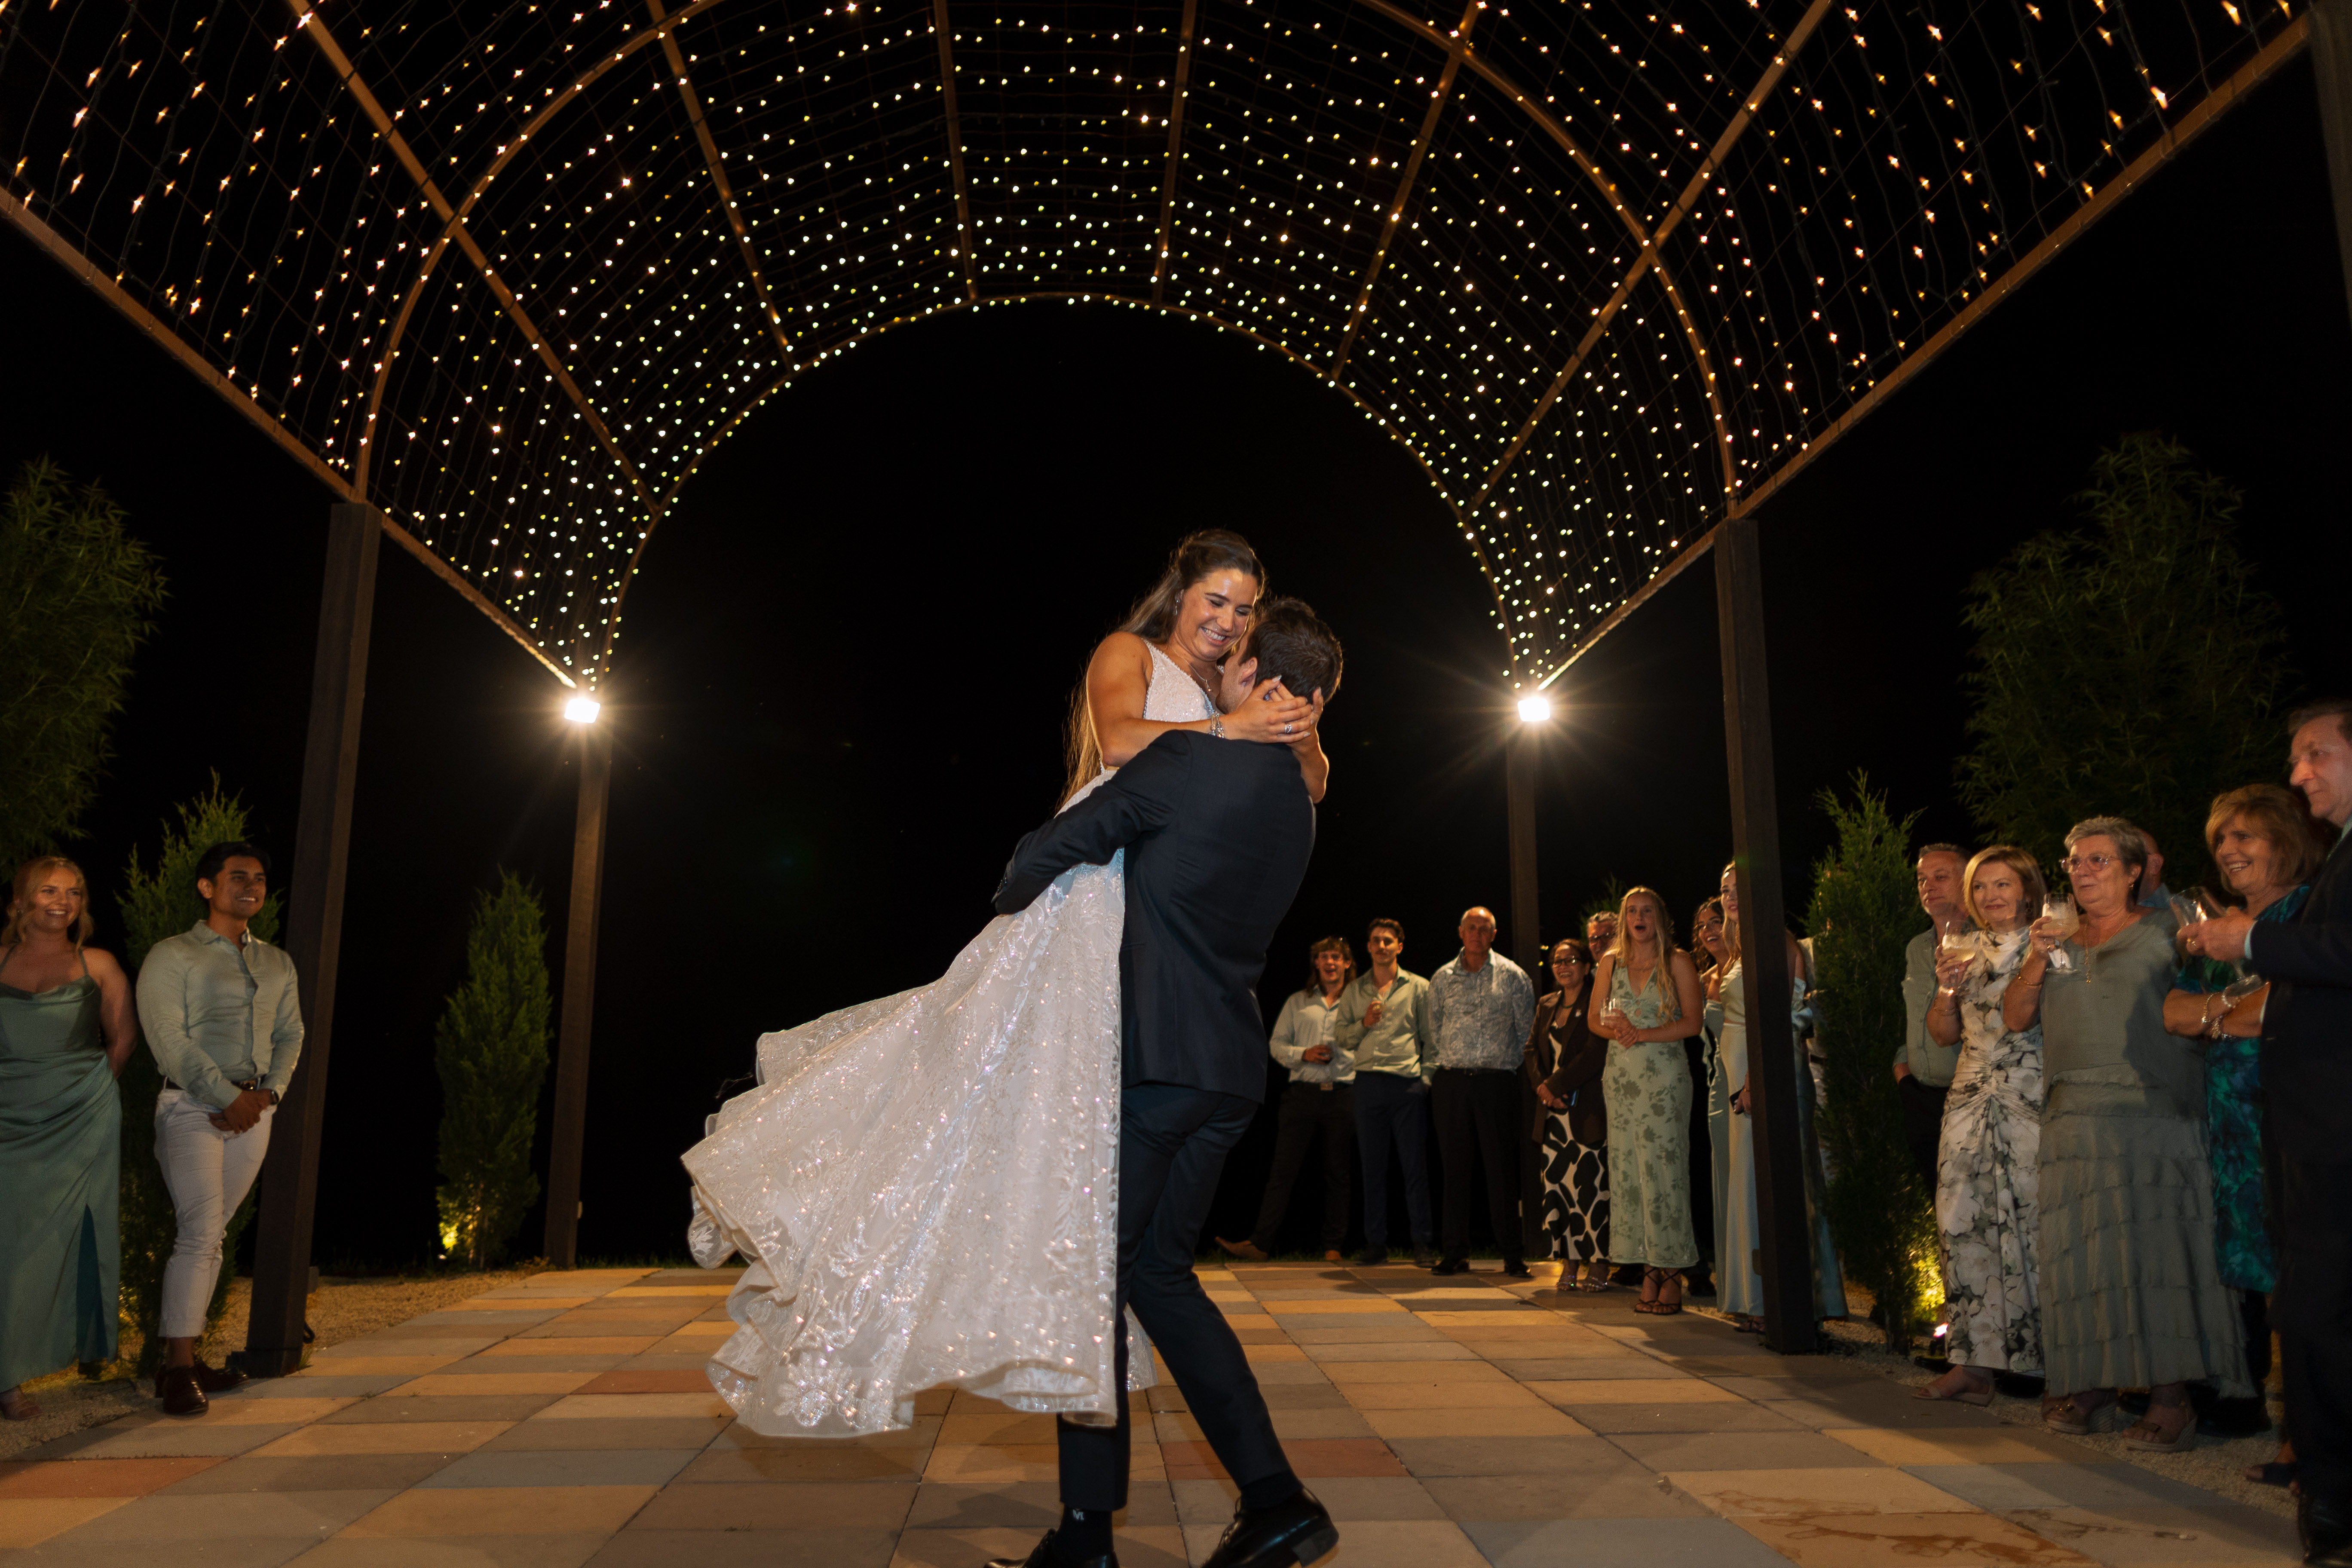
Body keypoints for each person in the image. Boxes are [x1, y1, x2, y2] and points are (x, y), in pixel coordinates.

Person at [682, 533, 1323, 1444]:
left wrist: (1296, 727)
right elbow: (1120, 742)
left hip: (1149, 910)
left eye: (1243, 609)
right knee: (968, 1071)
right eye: (1213, 600)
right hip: (1093, 880)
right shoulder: (1131, 654)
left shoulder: (1235, 693)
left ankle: (1067, 1380)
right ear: (1179, 592)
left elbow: (1312, 781)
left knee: (1072, 1154)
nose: (1225, 621)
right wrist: (1234, 729)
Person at [983, 597, 1345, 1568]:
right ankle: (1275, 1502)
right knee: (1158, 1276)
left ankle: (1085, 1539)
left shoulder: (1186, 761)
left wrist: (1019, 890)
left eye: (1234, 659)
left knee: (1089, 1283)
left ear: (1260, 679)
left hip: (1157, 1070)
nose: (1217, 669)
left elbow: (1037, 859)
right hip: (1228, 1077)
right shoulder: (1298, 805)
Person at [2007, 817, 2245, 1452]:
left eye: (2099, 860)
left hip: (2154, 1116)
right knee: (2084, 1259)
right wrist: (2036, 957)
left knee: (2156, 1255)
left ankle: (2172, 1398)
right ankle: (2094, 1388)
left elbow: (2227, 992)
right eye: (2074, 861)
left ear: (2135, 870)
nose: (2083, 871)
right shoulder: (2056, 940)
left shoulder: (2169, 930)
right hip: (2072, 1119)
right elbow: (2016, 1017)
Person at [2187, 700, 2352, 1562]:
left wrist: (2249, 940)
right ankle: (2328, 1487)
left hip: (2335, 1129)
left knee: (2319, 1311)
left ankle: (2331, 1493)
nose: (2299, 774)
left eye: (2315, 754)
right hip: (2311, 1127)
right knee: (2309, 1308)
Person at [2164, 784, 2325, 1441]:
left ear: (2284, 842)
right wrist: (2226, 1014)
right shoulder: (2219, 929)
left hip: (2287, 1113)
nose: (2228, 850)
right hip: (2228, 1121)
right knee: (2244, 1258)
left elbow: (2279, 1007)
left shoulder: (2303, 913)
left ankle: (2307, 1431)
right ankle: (2251, 1398)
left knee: (2296, 1265)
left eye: (2244, 836)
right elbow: (2172, 1012)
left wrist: (2216, 1017)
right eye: (2221, 840)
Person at [134, 841, 302, 1418]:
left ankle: (185, 1357)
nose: (251, 886)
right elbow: (168, 1039)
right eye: (238, 877)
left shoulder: (278, 963)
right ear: (207, 888)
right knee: (200, 1231)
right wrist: (229, 1097)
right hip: (190, 1107)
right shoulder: (172, 955)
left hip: (255, 1111)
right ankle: (178, 1369)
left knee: (214, 1235)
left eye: (259, 879)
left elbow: (291, 1035)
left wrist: (268, 1096)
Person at [1, 858, 137, 1421]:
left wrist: (89, 1093)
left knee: (52, 1245)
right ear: (22, 900)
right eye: (49, 891)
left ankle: (10, 1382)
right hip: (7, 1120)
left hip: (82, 1120)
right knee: (10, 1245)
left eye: (74, 892)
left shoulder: (97, 964)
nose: (63, 901)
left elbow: (122, 1040)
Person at [1916, 846, 2047, 1403]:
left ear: (2028, 891)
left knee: (2030, 1225)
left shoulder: (2051, 943)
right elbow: (1943, 1033)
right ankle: (1972, 1364)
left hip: (2028, 1095)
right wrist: (1947, 989)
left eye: (2003, 884)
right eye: (1981, 886)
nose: (1991, 896)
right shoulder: (1963, 947)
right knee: (1960, 1224)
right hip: (1968, 1098)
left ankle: (2042, 1362)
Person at [1712, 862, 1846, 1328]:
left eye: (1740, 888)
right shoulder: (1739, 946)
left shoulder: (1779, 940)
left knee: (1777, 1181)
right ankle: (1759, 1298)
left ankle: (1782, 1300)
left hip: (1771, 1072)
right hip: (1741, 1072)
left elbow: (1784, 1017)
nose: (1731, 897)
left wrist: (1755, 1080)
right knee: (1750, 1182)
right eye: (1725, 890)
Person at [1590, 888, 1703, 1313]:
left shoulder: (1678, 961)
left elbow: (1693, 1023)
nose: (1639, 918)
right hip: (1621, 1080)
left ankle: (1671, 1272)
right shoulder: (1611, 962)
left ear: (1660, 917)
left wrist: (1642, 1034)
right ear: (1624, 919)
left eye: (1647, 911)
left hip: (1664, 1081)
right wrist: (1617, 1031)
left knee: (1665, 1173)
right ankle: (1647, 1269)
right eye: (1632, 911)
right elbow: (1594, 1018)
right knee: (1630, 1177)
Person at [1219, 938, 1358, 1264]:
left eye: (1336, 957)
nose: (1330, 962)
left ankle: (1334, 1247)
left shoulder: (1359, 1003)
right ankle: (1260, 1245)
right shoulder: (1298, 1002)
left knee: (1338, 1173)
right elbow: (1277, 1045)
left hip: (1343, 1094)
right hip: (1302, 1096)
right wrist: (1304, 1054)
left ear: (1347, 963)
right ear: (1316, 963)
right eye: (1324, 957)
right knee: (1283, 1171)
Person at [1427, 907, 1535, 1278]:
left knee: (1501, 1169)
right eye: (1471, 928)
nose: (1477, 934)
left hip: (1496, 1082)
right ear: (1460, 932)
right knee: (1454, 1170)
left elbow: (1526, 1034)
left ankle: (1513, 1255)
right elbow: (1434, 1029)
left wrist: (1507, 1068)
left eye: (1484, 929)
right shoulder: (1442, 978)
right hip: (1452, 1081)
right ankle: (1454, 1252)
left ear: (1494, 934)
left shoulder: (1513, 976)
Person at [1335, 919, 1435, 1268]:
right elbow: (1342, 1038)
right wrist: (1363, 1024)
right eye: (1376, 941)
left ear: (1399, 947)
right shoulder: (1355, 990)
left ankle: (1422, 1243)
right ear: (1368, 947)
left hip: (1406, 1083)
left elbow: (1431, 1039)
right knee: (1372, 1167)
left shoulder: (1419, 987)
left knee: (1414, 1167)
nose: (1381, 946)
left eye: (1388, 941)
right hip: (1367, 1083)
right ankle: (1376, 1243)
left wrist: (1425, 1081)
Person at [1524, 939, 1608, 1285]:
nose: (1563, 966)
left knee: (1591, 1189)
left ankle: (1599, 1264)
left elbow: (1595, 1051)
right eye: (1558, 961)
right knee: (1558, 1190)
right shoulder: (1546, 1004)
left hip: (1585, 1109)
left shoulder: (1595, 1001)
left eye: (1572, 960)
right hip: (1552, 1115)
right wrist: (1543, 1088)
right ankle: (1569, 1263)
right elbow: (1531, 1049)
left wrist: (1556, 1085)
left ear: (1587, 967)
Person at [1897, 845, 1970, 1189]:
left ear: (1968, 881)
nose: (1929, 886)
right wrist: (1902, 1072)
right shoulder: (1916, 947)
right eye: (1922, 879)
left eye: (1941, 877)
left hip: (1968, 1096)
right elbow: (1912, 1014)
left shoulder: (1984, 942)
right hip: (1920, 1098)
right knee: (1937, 1199)